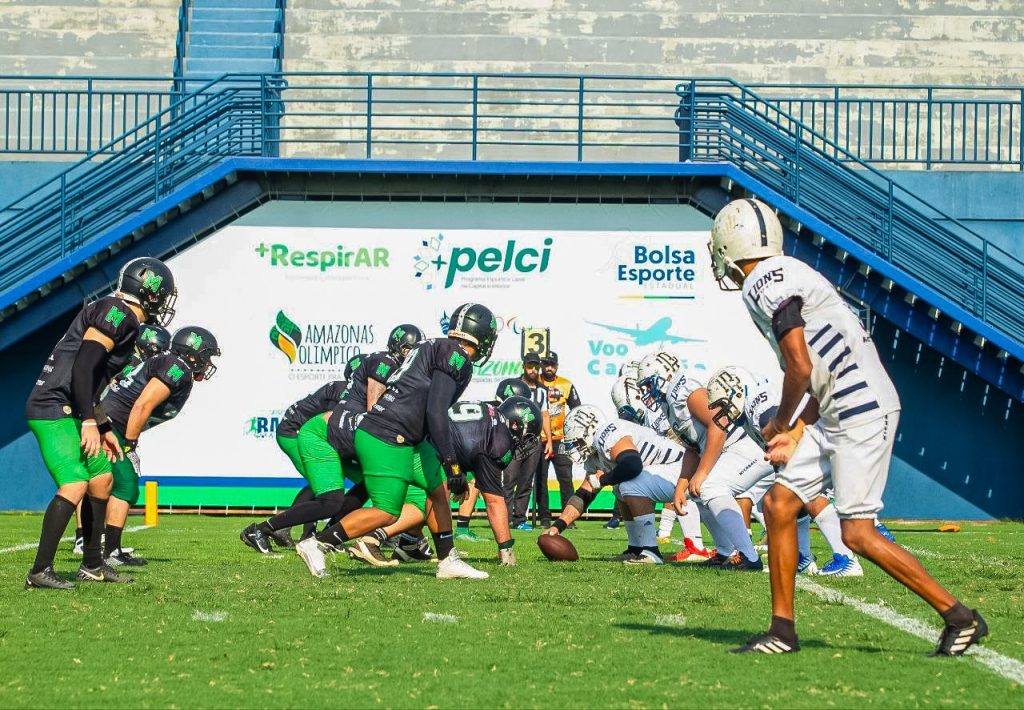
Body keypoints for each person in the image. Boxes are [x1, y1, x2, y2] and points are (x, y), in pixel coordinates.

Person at [709, 197, 985, 655]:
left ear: (727, 246)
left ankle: (960, 617)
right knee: (778, 504)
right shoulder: (790, 271)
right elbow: (821, 373)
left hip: (859, 411)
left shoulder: (761, 282)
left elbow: (800, 367)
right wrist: (797, 432)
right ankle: (782, 631)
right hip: (840, 407)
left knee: (857, 532)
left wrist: (780, 422)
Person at [295, 303, 498, 580]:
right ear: (483, 337)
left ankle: (448, 560)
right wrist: (452, 464)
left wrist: (448, 464)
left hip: (407, 436)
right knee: (386, 511)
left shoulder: (433, 345)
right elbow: (435, 411)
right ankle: (318, 543)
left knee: (438, 490)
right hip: (390, 434)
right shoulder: (456, 355)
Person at [24, 256, 176, 589]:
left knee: (102, 478)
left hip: (70, 406)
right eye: (163, 295)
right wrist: (90, 423)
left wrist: (103, 426)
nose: (165, 303)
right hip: (54, 405)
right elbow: (83, 367)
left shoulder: (121, 316)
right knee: (75, 482)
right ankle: (39, 571)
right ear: (150, 292)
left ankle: (92, 565)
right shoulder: (117, 312)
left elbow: (91, 383)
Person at [706, 366, 862, 577]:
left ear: (738, 391)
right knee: (794, 495)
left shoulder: (761, 410)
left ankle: (846, 558)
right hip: (817, 436)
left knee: (810, 495)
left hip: (824, 436)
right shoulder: (753, 410)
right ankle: (803, 557)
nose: (725, 412)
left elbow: (784, 432)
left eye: (725, 405)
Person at [351, 397, 543, 567]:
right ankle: (371, 539)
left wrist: (457, 472)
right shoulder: (498, 439)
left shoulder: (487, 412)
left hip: (411, 441)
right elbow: (494, 501)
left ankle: (408, 545)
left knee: (431, 497)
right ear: (515, 425)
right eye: (527, 436)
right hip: (411, 449)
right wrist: (506, 550)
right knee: (426, 501)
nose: (525, 444)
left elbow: (464, 439)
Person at [636, 353, 774, 572]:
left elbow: (719, 425)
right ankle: (725, 552)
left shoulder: (684, 392)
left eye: (649, 383)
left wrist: (702, 473)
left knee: (709, 486)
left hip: (745, 446)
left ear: (664, 375)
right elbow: (693, 448)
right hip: (731, 450)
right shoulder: (670, 404)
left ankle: (748, 556)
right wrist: (682, 484)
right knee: (696, 490)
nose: (647, 391)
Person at [98, 326, 219, 565]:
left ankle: (105, 549)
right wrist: (130, 445)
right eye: (206, 356)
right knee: (125, 487)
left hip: (113, 423)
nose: (208, 364)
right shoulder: (177, 367)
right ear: (192, 354)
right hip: (113, 426)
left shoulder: (171, 363)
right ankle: (107, 552)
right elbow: (142, 405)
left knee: (109, 485)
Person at [544, 405, 687, 564]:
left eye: (577, 441)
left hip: (682, 471)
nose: (576, 447)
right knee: (620, 487)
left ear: (590, 430)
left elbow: (632, 465)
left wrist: (603, 480)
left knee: (628, 485)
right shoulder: (595, 453)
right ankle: (635, 549)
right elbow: (585, 494)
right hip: (669, 474)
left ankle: (651, 551)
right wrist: (557, 526)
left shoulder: (607, 434)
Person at [268, 353, 364, 546]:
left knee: (362, 480)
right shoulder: (343, 393)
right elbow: (334, 431)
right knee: (321, 483)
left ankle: (321, 530)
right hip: (294, 433)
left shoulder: (347, 391)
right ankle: (305, 533)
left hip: (308, 433)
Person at [506, 355, 552, 529]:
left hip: (533, 441)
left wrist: (548, 439)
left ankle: (519, 519)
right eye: (530, 366)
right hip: (513, 440)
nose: (533, 370)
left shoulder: (542, 391)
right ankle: (504, 518)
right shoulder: (513, 386)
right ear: (524, 366)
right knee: (509, 479)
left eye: (536, 367)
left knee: (526, 481)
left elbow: (545, 415)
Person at [537, 351, 582, 522]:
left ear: (557, 366)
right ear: (542, 365)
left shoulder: (566, 384)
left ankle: (567, 517)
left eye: (552, 364)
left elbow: (577, 410)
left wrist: (573, 434)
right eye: (546, 364)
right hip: (540, 439)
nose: (549, 368)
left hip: (560, 439)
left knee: (566, 478)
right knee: (540, 479)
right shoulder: (535, 382)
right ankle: (544, 517)